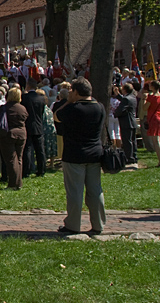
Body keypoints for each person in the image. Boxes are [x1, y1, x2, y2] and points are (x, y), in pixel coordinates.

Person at [55, 78, 106, 235]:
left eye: (71, 90)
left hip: (74, 154)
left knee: (75, 192)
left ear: (76, 92)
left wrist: (68, 101)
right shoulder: (99, 107)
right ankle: (98, 224)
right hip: (95, 154)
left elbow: (56, 116)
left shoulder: (72, 109)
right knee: (95, 190)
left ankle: (73, 224)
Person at [0, 88, 28, 190]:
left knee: (10, 160)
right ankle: (18, 182)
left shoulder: (4, 108)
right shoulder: (22, 108)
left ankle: (13, 183)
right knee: (19, 159)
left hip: (8, 135)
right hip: (22, 134)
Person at [21, 78, 47, 177]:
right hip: (38, 125)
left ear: (28, 86)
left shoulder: (24, 98)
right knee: (40, 150)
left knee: (27, 149)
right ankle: (41, 170)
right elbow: (42, 112)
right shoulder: (41, 99)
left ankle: (26, 171)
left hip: (27, 125)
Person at [114, 83, 138, 165]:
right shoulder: (133, 97)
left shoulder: (126, 99)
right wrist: (118, 95)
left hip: (126, 122)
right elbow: (124, 100)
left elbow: (121, 109)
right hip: (133, 122)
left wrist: (115, 113)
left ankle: (129, 158)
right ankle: (134, 156)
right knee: (133, 140)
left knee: (127, 141)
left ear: (125, 90)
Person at [144, 80, 160, 167]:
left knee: (156, 141)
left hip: (153, 119)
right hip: (159, 117)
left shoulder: (151, 97)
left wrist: (144, 99)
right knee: (158, 140)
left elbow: (144, 108)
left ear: (153, 87)